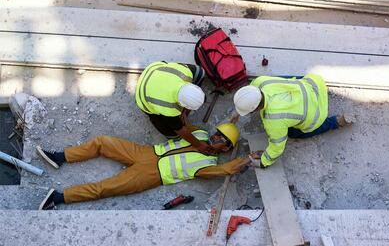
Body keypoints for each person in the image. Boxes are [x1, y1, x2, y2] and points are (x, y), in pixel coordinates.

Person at [36, 123, 256, 210]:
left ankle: (58, 198)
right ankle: (60, 157)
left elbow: (226, 170)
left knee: (104, 187)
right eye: (218, 133)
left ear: (226, 149)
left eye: (222, 140)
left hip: (151, 175)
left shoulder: (209, 164)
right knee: (103, 141)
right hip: (147, 152)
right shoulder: (199, 134)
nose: (216, 138)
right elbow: (179, 123)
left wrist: (247, 159)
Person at [233, 74, 355, 168]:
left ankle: (335, 122)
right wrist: (238, 111)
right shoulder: (260, 81)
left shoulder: (273, 119)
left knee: (293, 133)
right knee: (285, 80)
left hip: (317, 112)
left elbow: (277, 147)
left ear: (256, 108)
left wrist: (264, 161)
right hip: (314, 84)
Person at [135, 61, 216, 155]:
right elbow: (179, 129)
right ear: (181, 104)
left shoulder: (186, 73)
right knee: (173, 135)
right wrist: (198, 145)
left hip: (153, 69)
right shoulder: (168, 108)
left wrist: (185, 112)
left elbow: (199, 73)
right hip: (143, 95)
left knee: (200, 73)